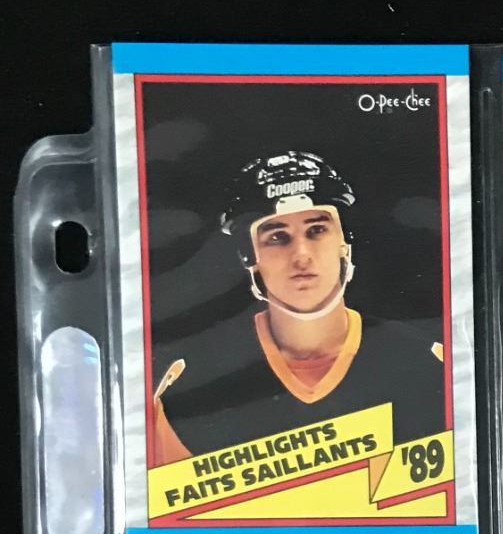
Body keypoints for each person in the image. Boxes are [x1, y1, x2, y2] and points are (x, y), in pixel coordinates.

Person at [152, 149, 445, 464]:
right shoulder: (192, 388)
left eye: (316, 230)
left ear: (344, 241)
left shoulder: (425, 365)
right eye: (278, 237)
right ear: (249, 256)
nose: (302, 255)